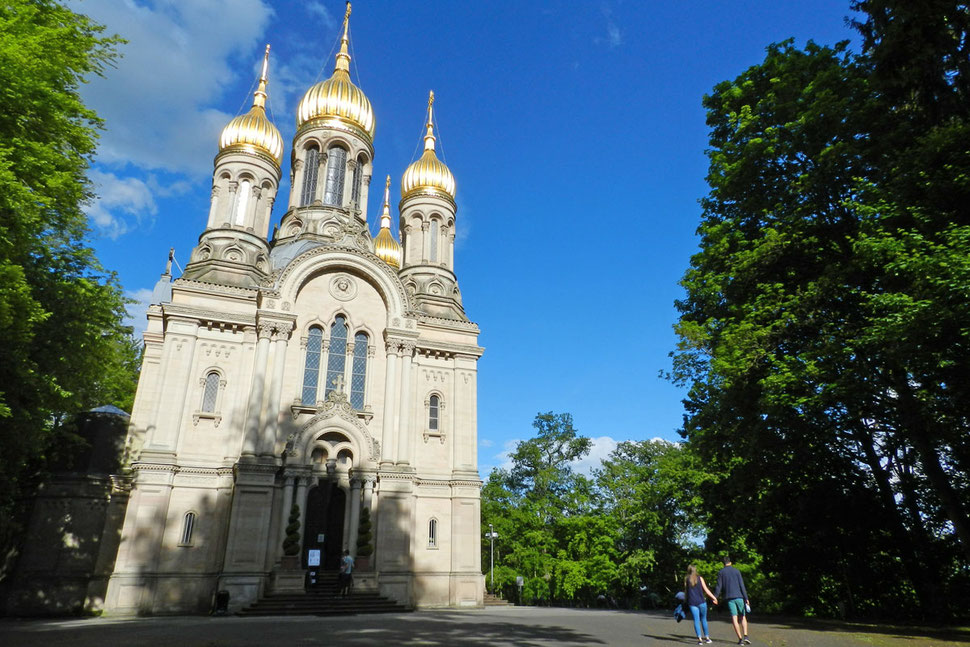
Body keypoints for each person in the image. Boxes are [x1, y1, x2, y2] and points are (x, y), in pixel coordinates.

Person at [714, 556, 750, 645]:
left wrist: (715, 597)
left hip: (729, 598)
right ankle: (746, 636)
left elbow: (719, 587)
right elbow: (742, 585)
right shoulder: (737, 571)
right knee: (743, 616)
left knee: (734, 617)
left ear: (723, 563)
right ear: (731, 562)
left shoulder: (721, 572)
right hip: (739, 596)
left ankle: (740, 639)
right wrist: (746, 598)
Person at [684, 565, 717, 645]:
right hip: (701, 602)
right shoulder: (700, 578)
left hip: (692, 603)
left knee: (696, 620)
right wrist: (714, 598)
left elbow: (686, 592)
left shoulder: (686, 579)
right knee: (703, 619)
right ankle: (707, 638)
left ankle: (699, 639)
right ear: (695, 570)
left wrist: (685, 601)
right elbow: (706, 590)